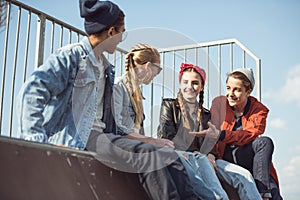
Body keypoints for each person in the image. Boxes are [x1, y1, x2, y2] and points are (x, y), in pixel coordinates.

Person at [16, 1, 199, 199]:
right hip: (82, 138)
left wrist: (151, 141)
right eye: (122, 33)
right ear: (111, 32)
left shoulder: (106, 68)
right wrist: (37, 144)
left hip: (103, 136)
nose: (122, 39)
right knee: (149, 156)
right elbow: (32, 91)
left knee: (168, 156)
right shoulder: (72, 57)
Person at [112, 47, 223, 199]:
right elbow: (119, 129)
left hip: (177, 152)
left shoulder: (137, 93)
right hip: (136, 146)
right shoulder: (118, 87)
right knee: (176, 160)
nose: (157, 75)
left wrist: (208, 153)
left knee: (202, 159)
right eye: (158, 70)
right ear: (147, 66)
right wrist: (152, 141)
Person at [158, 63, 262, 200]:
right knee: (216, 191)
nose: (189, 86)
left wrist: (212, 154)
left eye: (195, 83)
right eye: (185, 82)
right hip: (183, 154)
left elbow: (210, 141)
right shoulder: (169, 105)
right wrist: (191, 152)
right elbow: (167, 135)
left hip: (204, 157)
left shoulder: (206, 114)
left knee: (244, 175)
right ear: (180, 83)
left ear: (201, 87)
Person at [194, 68, 283, 200]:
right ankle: (263, 191)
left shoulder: (259, 110)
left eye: (237, 89)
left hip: (249, 158)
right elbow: (212, 132)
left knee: (265, 142)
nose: (230, 93)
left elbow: (248, 135)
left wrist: (222, 134)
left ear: (249, 91)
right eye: (228, 88)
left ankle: (262, 191)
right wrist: (211, 150)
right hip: (226, 156)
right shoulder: (219, 104)